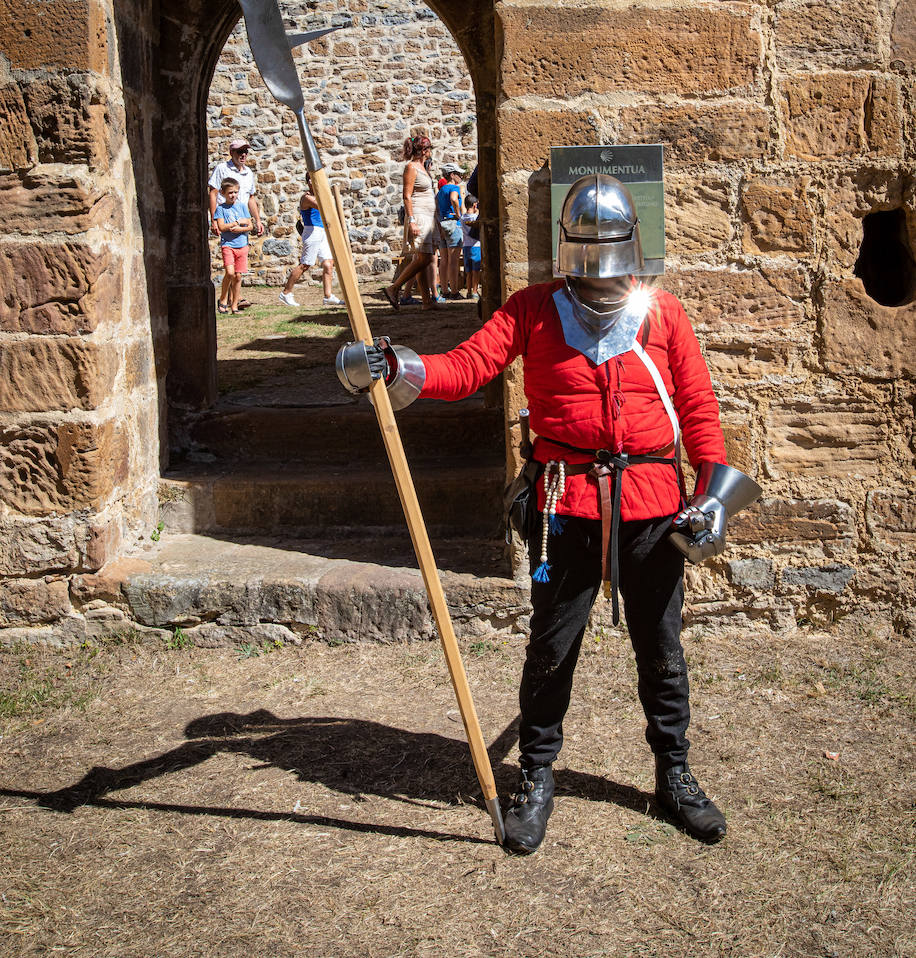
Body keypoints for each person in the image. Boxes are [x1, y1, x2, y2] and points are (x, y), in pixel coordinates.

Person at [339, 175, 735, 852]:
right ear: (568, 247)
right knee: (550, 652)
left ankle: (675, 773)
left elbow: (697, 408)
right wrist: (399, 366)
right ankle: (538, 774)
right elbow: (468, 365)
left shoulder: (664, 315)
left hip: (651, 510)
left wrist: (714, 497)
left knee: (662, 651)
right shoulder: (533, 309)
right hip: (565, 509)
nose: (603, 265)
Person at [383, 134, 439, 311]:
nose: (430, 152)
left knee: (422, 257)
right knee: (426, 258)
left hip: (428, 217)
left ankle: (426, 302)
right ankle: (394, 287)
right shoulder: (411, 167)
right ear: (423, 150)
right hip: (419, 216)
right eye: (429, 149)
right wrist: (412, 221)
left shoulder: (423, 167)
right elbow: (407, 195)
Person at [209, 138, 263, 310]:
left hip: (242, 218)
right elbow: (213, 193)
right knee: (230, 265)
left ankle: (232, 299)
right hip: (225, 218)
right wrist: (213, 220)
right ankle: (230, 299)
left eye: (246, 152)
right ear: (231, 153)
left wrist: (257, 219)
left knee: (238, 265)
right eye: (240, 152)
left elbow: (250, 198)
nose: (243, 155)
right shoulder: (222, 169)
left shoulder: (248, 173)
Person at [278, 175, 341, 309]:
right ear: (309, 182)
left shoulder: (317, 195)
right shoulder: (307, 198)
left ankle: (328, 296)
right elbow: (324, 207)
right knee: (305, 264)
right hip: (312, 232)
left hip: (322, 231)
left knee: (328, 263)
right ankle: (286, 293)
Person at [214, 176, 252, 314]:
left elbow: (249, 225)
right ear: (223, 193)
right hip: (228, 245)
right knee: (229, 273)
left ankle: (234, 305)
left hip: (242, 245)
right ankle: (223, 299)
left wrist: (240, 228)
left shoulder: (242, 206)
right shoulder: (221, 209)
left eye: (235, 192)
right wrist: (235, 223)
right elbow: (222, 227)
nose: (233, 195)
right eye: (230, 192)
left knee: (238, 276)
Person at [435, 163, 464, 298]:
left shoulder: (440, 191)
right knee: (454, 261)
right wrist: (458, 214)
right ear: (452, 175)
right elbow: (454, 199)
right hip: (453, 225)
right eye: (458, 174)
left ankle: (444, 290)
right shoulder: (454, 187)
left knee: (444, 260)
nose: (461, 176)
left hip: (442, 225)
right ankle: (454, 291)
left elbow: (436, 208)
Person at [460, 194, 481, 299]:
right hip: (476, 246)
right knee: (476, 271)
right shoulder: (475, 217)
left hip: (466, 246)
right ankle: (475, 291)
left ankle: (468, 291)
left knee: (468, 271)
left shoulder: (462, 218)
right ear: (474, 205)